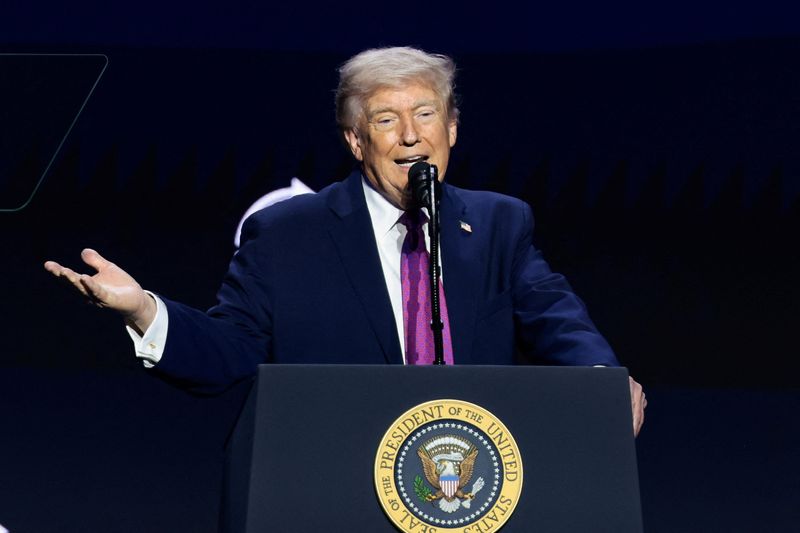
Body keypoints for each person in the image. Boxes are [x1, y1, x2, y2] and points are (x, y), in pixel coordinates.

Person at [45, 47, 646, 435]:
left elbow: (558, 321)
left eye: (426, 114)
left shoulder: (498, 224)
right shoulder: (287, 235)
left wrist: (601, 381)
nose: (410, 136)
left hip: (471, 485)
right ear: (357, 142)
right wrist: (144, 310)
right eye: (386, 120)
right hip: (334, 488)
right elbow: (230, 352)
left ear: (453, 128)